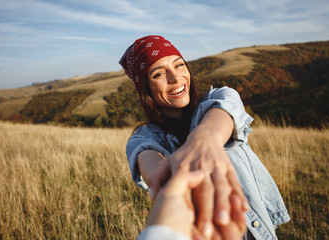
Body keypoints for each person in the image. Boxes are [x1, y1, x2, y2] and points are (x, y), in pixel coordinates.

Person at [119, 35, 290, 240]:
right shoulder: (143, 138)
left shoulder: (218, 98)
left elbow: (224, 113)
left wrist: (204, 139)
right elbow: (152, 167)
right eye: (158, 74)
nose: (175, 78)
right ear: (146, 88)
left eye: (179, 65)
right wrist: (171, 190)